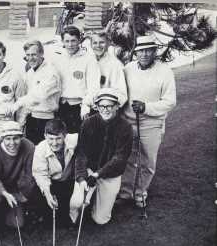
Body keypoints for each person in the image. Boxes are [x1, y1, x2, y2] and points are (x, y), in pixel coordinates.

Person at [117, 34, 176, 208]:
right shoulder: (127, 69)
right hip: (128, 122)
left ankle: (141, 192)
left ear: (154, 52)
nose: (144, 54)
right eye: (141, 51)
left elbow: (170, 101)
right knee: (128, 158)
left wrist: (146, 107)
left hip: (152, 123)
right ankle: (125, 192)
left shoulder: (165, 71)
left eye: (149, 50)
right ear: (135, 52)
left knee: (148, 161)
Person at [69, 88, 132, 224]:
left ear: (117, 106)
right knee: (76, 204)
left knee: (101, 219)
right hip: (89, 170)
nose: (106, 109)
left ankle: (95, 204)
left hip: (110, 174)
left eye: (110, 105)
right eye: (102, 106)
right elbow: (81, 153)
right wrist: (81, 178)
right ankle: (81, 205)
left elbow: (119, 158)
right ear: (96, 107)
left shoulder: (125, 127)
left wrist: (98, 174)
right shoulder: (88, 123)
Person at [52, 25, 100, 134]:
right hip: (61, 107)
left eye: (73, 41)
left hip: (80, 108)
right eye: (67, 41)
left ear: (79, 40)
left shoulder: (89, 59)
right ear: (62, 42)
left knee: (81, 141)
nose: (70, 45)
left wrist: (86, 104)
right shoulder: (58, 59)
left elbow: (94, 86)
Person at [0, 121, 37, 228]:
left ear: (21, 137)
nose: (12, 143)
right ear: (2, 139)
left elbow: (29, 174)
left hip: (16, 189)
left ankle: (9, 210)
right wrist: (4, 193)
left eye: (16, 138)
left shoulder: (29, 147)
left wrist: (21, 194)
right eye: (8, 138)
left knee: (18, 224)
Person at [12, 40, 61, 145]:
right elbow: (28, 98)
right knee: (32, 152)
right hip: (32, 119)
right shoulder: (30, 73)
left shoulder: (51, 71)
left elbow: (39, 95)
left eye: (34, 54)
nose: (30, 58)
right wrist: (21, 122)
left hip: (47, 119)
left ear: (41, 53)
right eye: (28, 55)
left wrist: (17, 104)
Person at [32, 119, 77, 226]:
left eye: (58, 138)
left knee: (67, 216)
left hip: (69, 182)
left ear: (65, 135)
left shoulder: (74, 139)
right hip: (52, 183)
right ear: (45, 136)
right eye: (51, 139)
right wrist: (47, 194)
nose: (55, 143)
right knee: (50, 218)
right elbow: (40, 175)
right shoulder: (40, 149)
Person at [90, 30, 127, 99]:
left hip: (107, 106)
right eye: (95, 43)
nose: (98, 46)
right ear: (91, 45)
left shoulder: (116, 65)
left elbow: (121, 93)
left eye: (102, 42)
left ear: (108, 43)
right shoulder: (88, 61)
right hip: (88, 104)